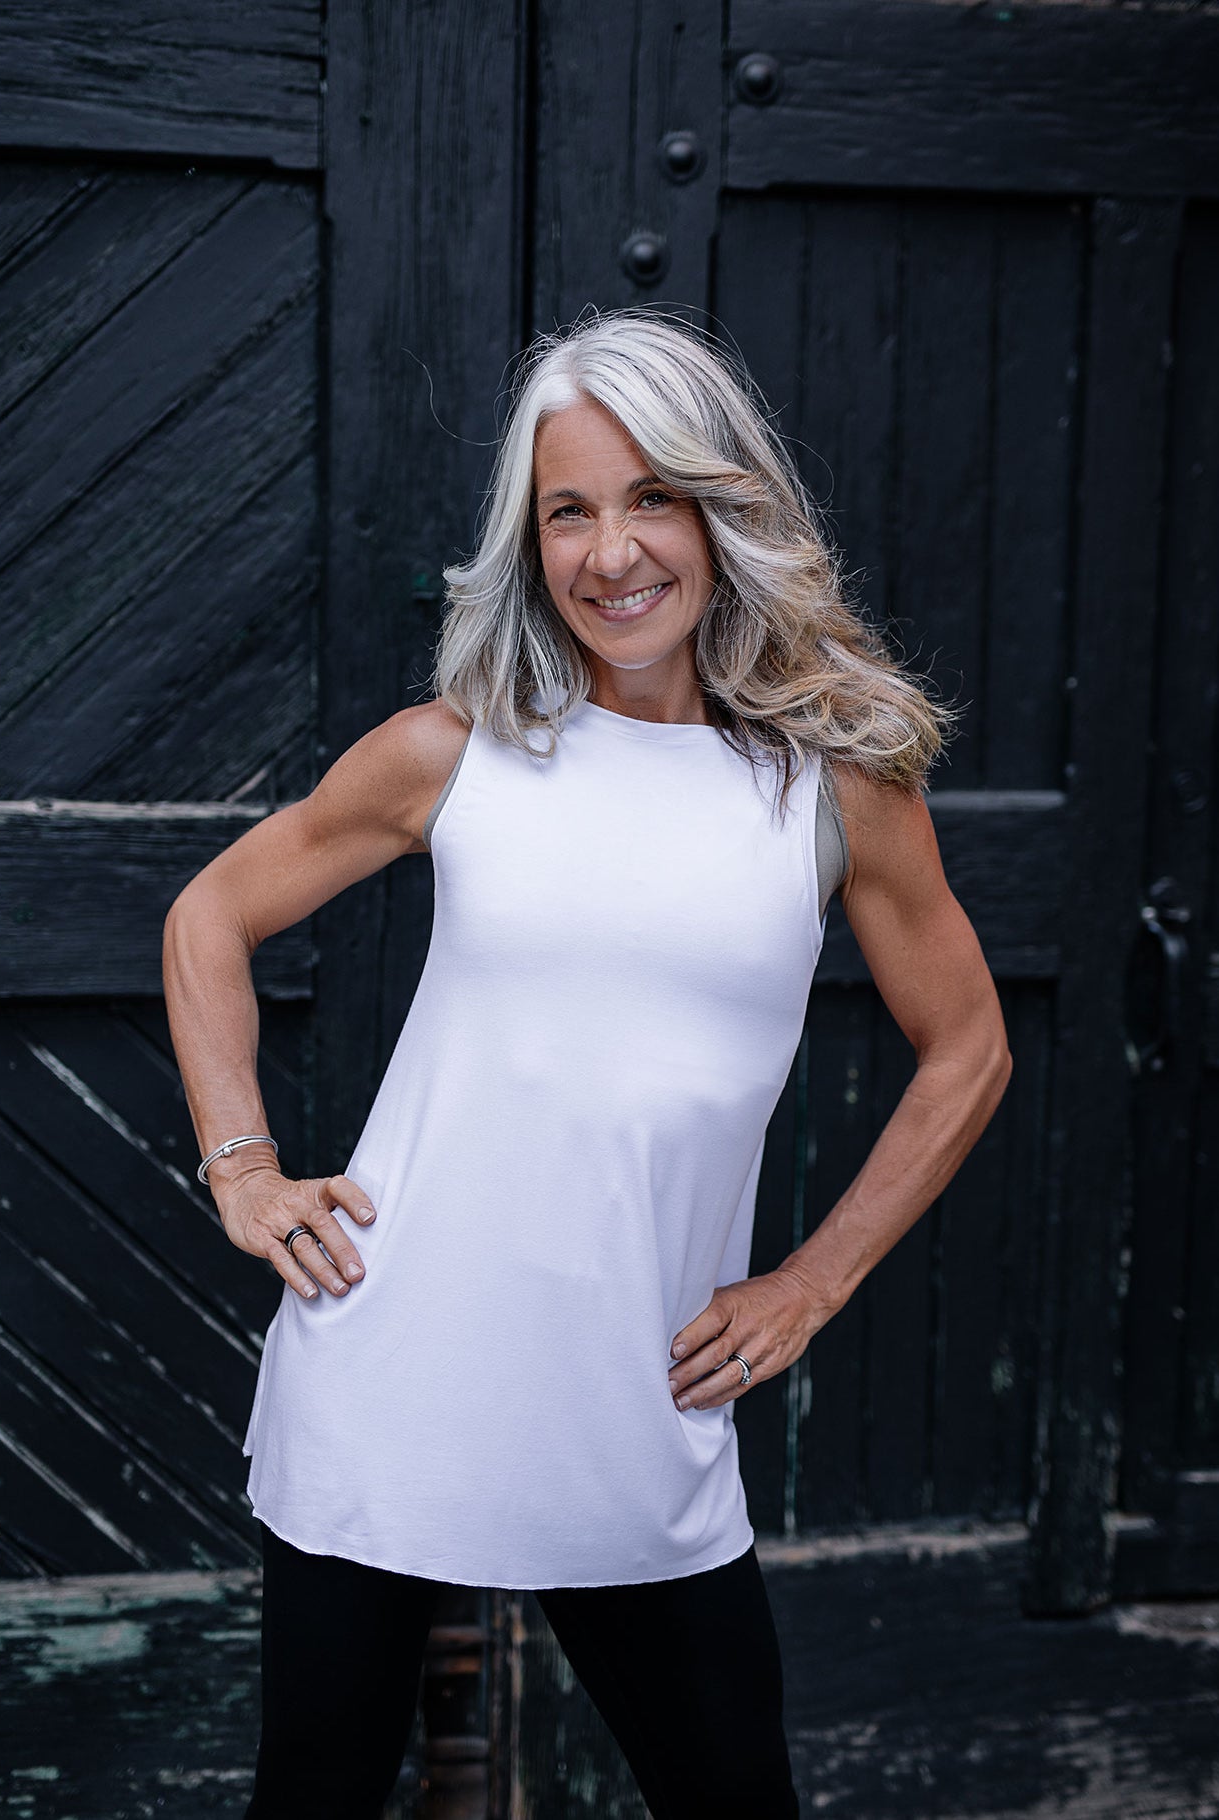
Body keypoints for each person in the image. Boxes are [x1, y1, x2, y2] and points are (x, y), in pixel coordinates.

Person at [162, 307, 1012, 1818]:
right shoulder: (456, 751)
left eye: (650, 499)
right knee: (311, 1798)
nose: (611, 553)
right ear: (529, 539)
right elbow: (212, 910)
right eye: (570, 510)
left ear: (721, 508)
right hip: (385, 1383)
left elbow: (967, 1049)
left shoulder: (836, 791)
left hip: (637, 1409)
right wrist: (240, 1162)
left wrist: (809, 1282)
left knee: (733, 1797)